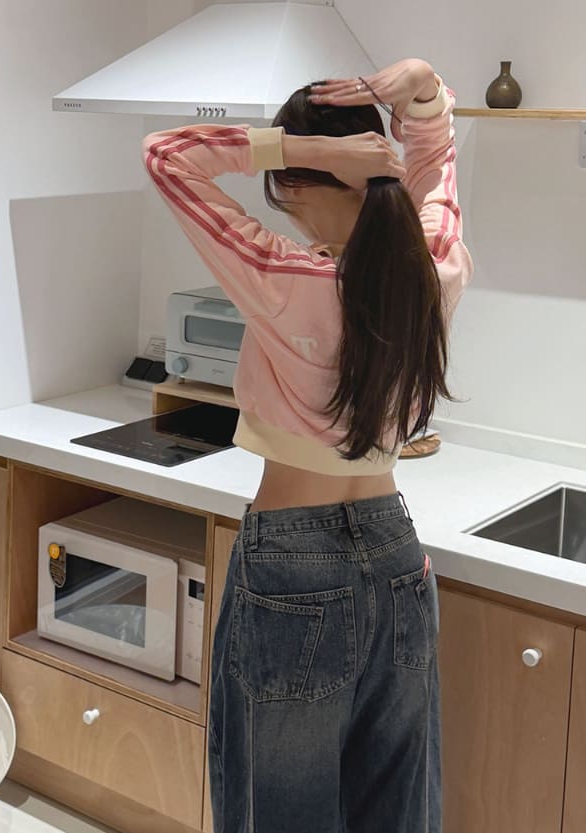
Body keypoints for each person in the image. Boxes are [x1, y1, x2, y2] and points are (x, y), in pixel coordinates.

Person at [143, 57, 472, 833]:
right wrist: (423, 91)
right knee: (394, 811)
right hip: (396, 556)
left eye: (288, 192)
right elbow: (436, 170)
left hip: (291, 559)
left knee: (278, 812)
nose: (288, 212)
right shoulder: (435, 267)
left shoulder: (285, 277)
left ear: (301, 181)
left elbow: (166, 156)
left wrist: (300, 147)